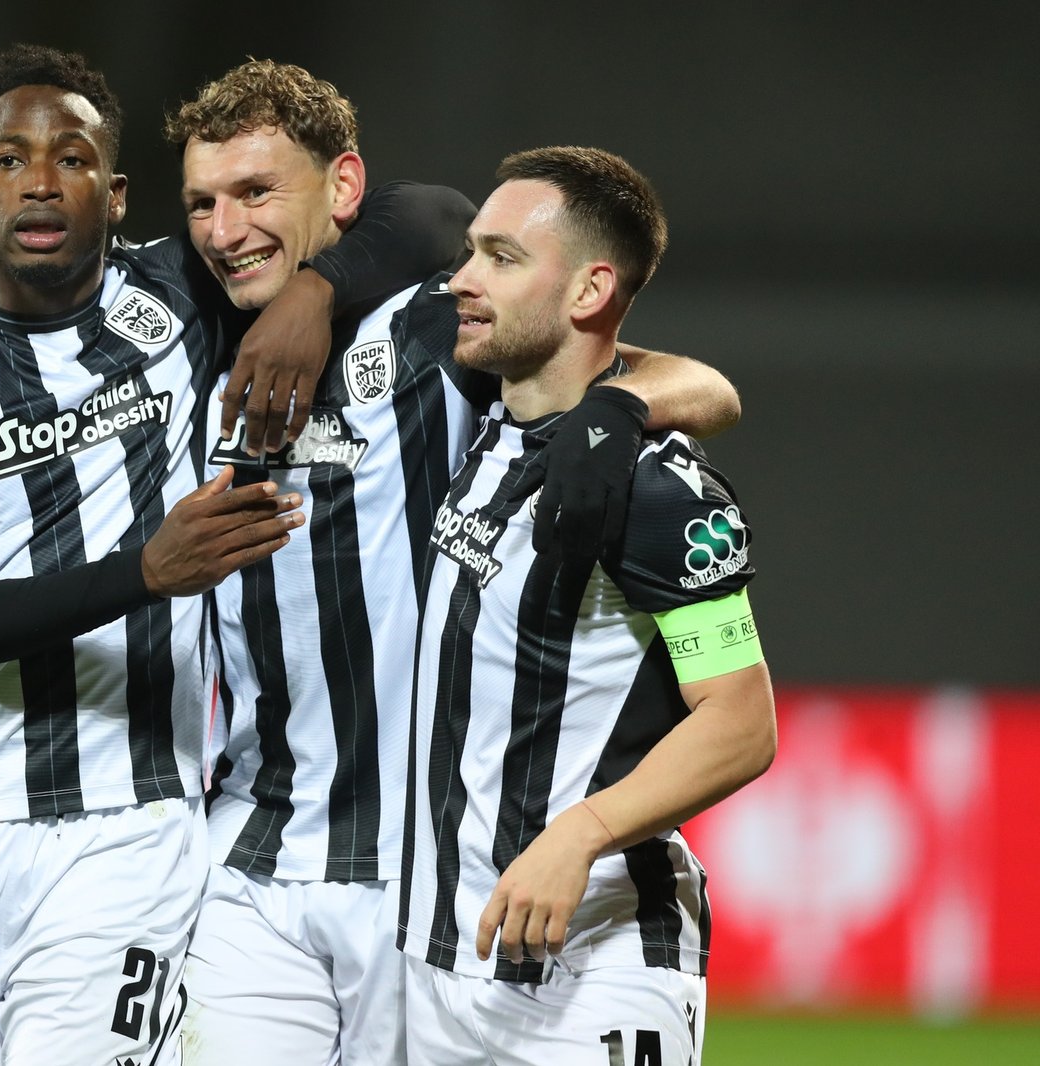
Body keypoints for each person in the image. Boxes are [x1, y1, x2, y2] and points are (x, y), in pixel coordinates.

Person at [0, 45, 468, 1065]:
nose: (40, 182)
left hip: (132, 831)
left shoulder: (182, 299)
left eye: (72, 158)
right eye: (8, 161)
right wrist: (146, 571)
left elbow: (434, 214)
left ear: (118, 196)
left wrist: (313, 292)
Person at [161, 64, 742, 1065]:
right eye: (202, 204)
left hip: (426, 883)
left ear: (343, 189)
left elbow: (694, 381)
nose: (224, 229)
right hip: (253, 859)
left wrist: (617, 409)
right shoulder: (178, 336)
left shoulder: (441, 332)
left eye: (256, 193)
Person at [397, 146, 778, 1066]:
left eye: (501, 257)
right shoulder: (482, 418)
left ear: (589, 290)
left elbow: (741, 722)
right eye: (470, 251)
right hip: (444, 959)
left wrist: (583, 833)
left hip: (598, 962)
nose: (462, 279)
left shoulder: (658, 485)